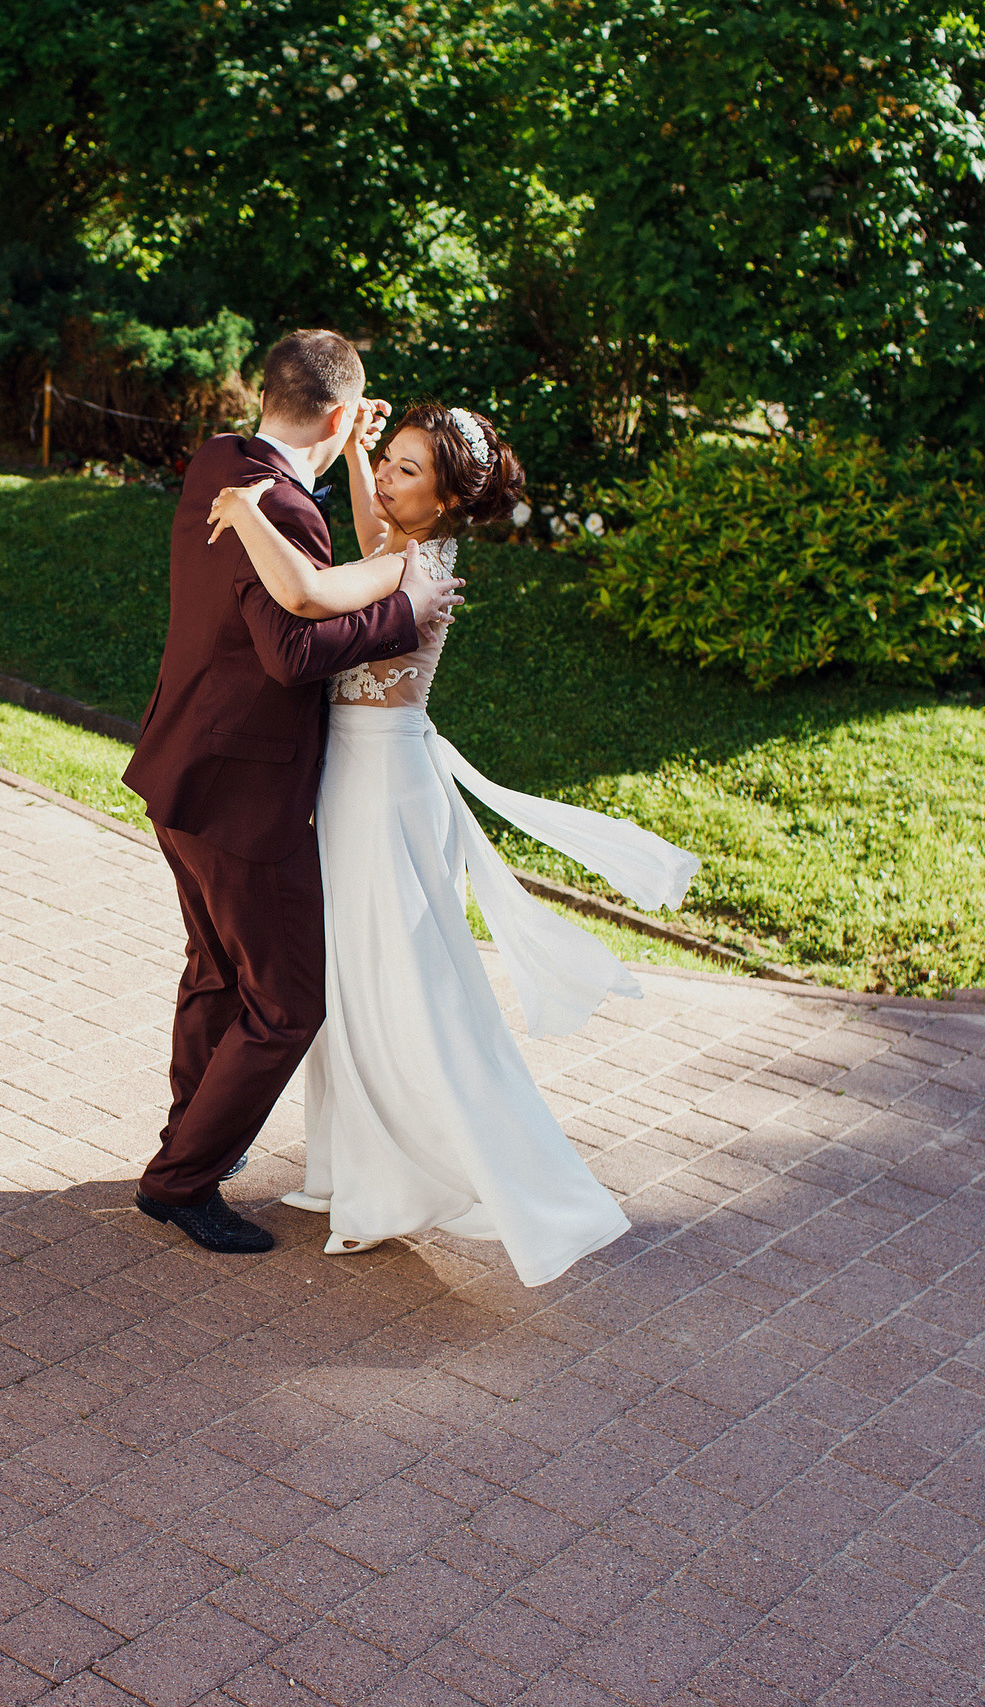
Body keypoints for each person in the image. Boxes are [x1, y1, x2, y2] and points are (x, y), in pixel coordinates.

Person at [204, 400, 700, 1284]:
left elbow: (312, 592)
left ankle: (468, 1178)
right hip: (367, 777)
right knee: (355, 978)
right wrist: (359, 456)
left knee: (400, 984)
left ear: (439, 502)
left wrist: (243, 512)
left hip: (379, 790)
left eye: (405, 469)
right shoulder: (413, 548)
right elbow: (367, 530)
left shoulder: (411, 567)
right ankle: (364, 1168)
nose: (387, 477)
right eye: (388, 460)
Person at [123, 330, 463, 1256]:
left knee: (216, 971)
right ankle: (182, 1179)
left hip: (178, 769)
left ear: (264, 393)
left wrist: (354, 465)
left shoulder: (220, 465)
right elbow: (290, 650)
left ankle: (189, 1145)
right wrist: (406, 611)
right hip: (244, 794)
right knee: (285, 1002)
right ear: (347, 414)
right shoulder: (285, 513)